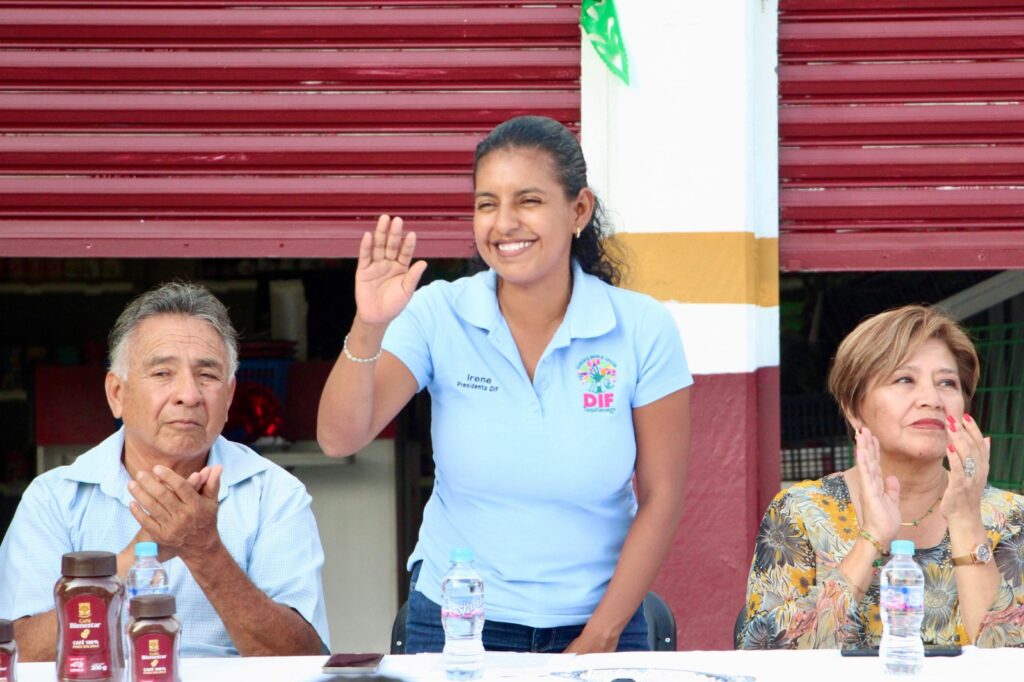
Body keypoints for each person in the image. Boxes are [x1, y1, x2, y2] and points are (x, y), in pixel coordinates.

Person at [318, 115, 692, 653]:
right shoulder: (439, 313)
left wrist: (601, 634)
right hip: (457, 623)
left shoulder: (641, 327)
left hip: (602, 624)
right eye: (487, 204)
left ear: (579, 210)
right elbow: (339, 438)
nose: (504, 223)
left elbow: (663, 495)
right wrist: (369, 324)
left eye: (529, 201)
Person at [0, 282, 329, 659]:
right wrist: (137, 557)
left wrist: (205, 549)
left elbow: (302, 659)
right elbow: (19, 652)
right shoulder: (55, 498)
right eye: (162, 373)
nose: (188, 395)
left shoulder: (275, 494)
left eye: (207, 375)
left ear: (229, 396)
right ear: (117, 394)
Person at [738, 305, 1024, 649]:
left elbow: (1012, 659)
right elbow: (764, 653)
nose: (932, 399)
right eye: (905, 380)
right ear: (853, 408)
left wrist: (967, 521)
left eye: (947, 383)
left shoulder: (1009, 517)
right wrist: (871, 538)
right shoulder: (801, 512)